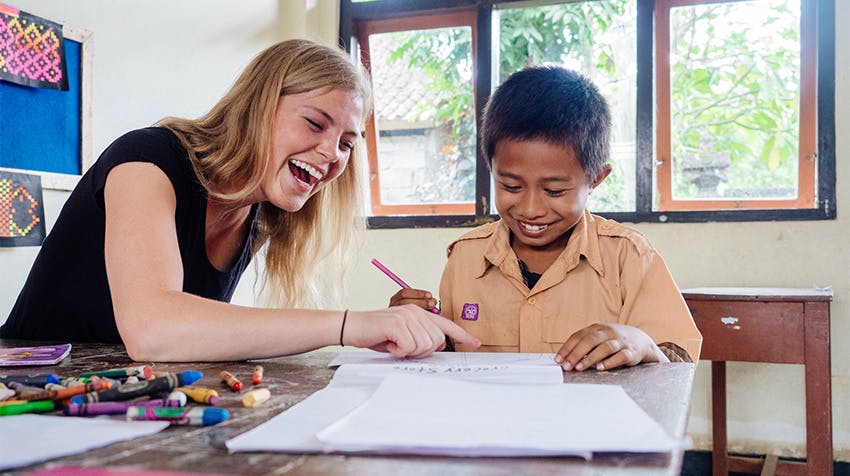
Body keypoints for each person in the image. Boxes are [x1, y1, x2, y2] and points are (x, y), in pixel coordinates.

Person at [1, 39, 480, 362]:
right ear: (258, 107)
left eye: (346, 143)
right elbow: (153, 330)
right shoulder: (145, 160)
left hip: (118, 404)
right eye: (315, 124)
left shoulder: (259, 215)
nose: (332, 155)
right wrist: (349, 325)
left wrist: (374, 328)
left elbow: (200, 334)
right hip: (28, 402)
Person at [391, 65, 700, 371]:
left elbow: (679, 363)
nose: (530, 209)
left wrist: (641, 342)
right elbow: (450, 359)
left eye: (554, 191)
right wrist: (415, 328)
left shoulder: (628, 258)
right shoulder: (465, 258)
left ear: (596, 179)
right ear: (491, 169)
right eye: (511, 186)